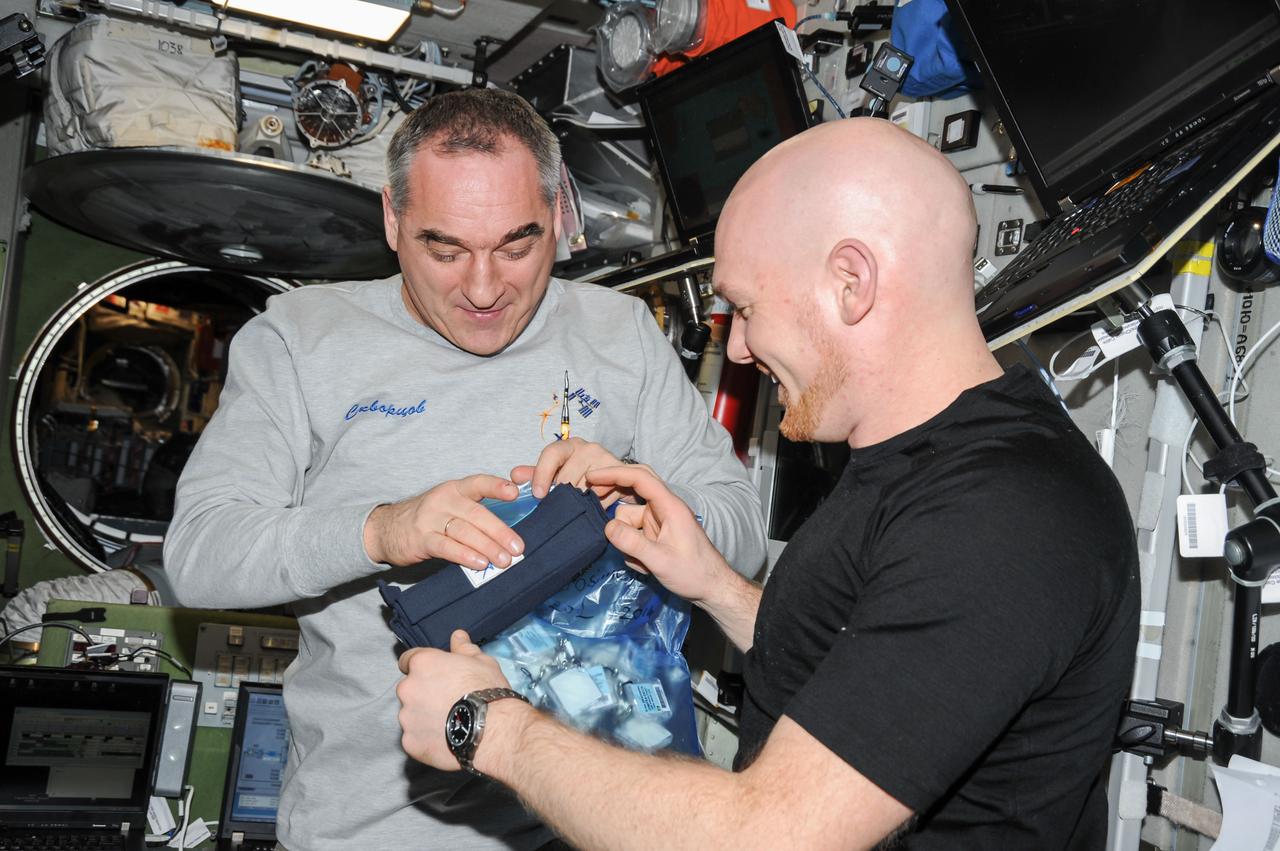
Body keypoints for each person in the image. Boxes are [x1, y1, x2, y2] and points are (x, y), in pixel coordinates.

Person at [395, 117, 1141, 849]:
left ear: (851, 282)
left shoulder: (1003, 515)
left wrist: (490, 726)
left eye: (746, 308)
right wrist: (713, 584)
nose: (742, 347)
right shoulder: (921, 464)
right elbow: (871, 669)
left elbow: (766, 833)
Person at [163, 88, 766, 850]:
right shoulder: (300, 341)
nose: (482, 289)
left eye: (517, 245)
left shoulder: (620, 335)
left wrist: (640, 503)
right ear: (391, 219)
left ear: (558, 216)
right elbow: (196, 560)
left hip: (596, 819)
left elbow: (740, 535)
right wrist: (381, 531)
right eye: (443, 249)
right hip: (369, 835)